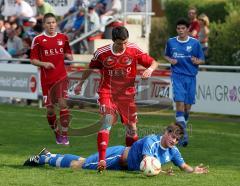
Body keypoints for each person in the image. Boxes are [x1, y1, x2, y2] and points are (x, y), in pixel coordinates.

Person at [74, 26, 160, 172]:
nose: (124, 46)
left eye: (126, 42)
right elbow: (90, 68)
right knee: (106, 122)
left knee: (132, 128)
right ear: (114, 41)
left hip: (127, 96)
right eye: (121, 43)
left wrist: (149, 69)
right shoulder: (102, 53)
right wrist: (80, 83)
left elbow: (154, 62)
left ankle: (132, 158)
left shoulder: (133, 49)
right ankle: (102, 160)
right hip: (107, 93)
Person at [23, 123, 208, 175]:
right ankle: (43, 158)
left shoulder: (173, 151)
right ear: (165, 133)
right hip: (117, 157)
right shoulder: (152, 141)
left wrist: (194, 171)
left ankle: (48, 155)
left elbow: (183, 166)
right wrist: (161, 171)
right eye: (172, 136)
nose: (174, 140)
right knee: (77, 166)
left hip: (125, 166)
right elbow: (147, 163)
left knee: (82, 161)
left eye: (177, 139)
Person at [30, 13, 73, 145]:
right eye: (48, 23)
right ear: (44, 25)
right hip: (46, 80)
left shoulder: (63, 38)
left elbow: (68, 52)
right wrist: (44, 64)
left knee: (63, 105)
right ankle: (57, 134)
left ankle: (65, 134)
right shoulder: (38, 39)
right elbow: (33, 60)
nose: (51, 25)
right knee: (50, 110)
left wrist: (69, 57)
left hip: (61, 78)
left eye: (53, 22)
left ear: (56, 23)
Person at [164, 18, 205, 147]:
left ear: (187, 29)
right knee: (180, 105)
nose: (181, 31)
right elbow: (166, 55)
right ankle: (184, 135)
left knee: (187, 108)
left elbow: (202, 60)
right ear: (177, 29)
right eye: (178, 28)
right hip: (177, 76)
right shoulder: (171, 42)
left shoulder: (195, 43)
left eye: (183, 28)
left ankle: (180, 130)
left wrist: (196, 61)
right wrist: (170, 60)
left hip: (191, 77)